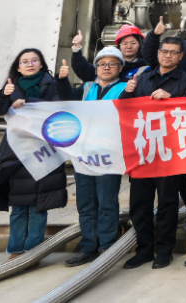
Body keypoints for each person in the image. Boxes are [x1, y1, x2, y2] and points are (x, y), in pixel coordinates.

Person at [0, 49, 65, 260]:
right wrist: (4, 95)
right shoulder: (11, 86)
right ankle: (15, 250)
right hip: (15, 153)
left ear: (41, 64)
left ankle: (33, 253)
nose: (30, 64)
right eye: (25, 61)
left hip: (43, 152)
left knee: (39, 205)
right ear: (18, 67)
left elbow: (57, 108)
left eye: (34, 60)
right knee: (18, 205)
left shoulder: (52, 85)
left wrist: (28, 102)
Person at [124, 35, 186, 269]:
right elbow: (124, 111)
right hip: (143, 151)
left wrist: (171, 99)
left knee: (167, 203)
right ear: (158, 53)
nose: (168, 55)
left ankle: (165, 250)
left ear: (181, 56)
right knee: (139, 204)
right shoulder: (143, 78)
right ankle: (144, 249)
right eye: (165, 51)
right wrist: (127, 93)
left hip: (169, 152)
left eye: (174, 52)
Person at [56, 41, 127, 267]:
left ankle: (107, 246)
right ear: (96, 67)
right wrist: (62, 80)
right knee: (86, 203)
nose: (106, 67)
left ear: (120, 67)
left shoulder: (126, 89)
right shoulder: (87, 88)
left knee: (107, 203)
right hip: (84, 155)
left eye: (112, 64)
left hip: (109, 155)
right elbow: (67, 99)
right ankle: (89, 246)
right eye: (102, 64)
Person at [72, 23, 151, 82]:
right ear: (119, 46)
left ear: (140, 45)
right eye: (124, 43)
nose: (129, 46)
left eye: (133, 43)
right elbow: (83, 70)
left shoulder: (146, 69)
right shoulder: (105, 68)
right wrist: (76, 48)